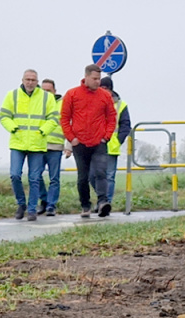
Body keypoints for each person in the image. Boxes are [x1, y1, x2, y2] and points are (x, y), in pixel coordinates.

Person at [0, 69, 57, 220]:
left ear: (37, 82)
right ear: (23, 80)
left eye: (33, 80)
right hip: (18, 142)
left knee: (34, 178)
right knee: (15, 175)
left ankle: (31, 210)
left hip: (37, 143)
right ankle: (21, 204)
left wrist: (43, 131)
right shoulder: (13, 95)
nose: (30, 82)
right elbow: (3, 115)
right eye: (27, 79)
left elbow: (54, 118)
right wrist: (13, 128)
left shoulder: (46, 97)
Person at [60, 64, 116, 218]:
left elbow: (112, 117)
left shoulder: (105, 96)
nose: (98, 82)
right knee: (83, 177)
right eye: (94, 79)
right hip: (80, 143)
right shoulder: (72, 94)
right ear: (86, 77)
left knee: (100, 172)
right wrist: (72, 139)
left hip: (99, 142)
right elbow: (64, 119)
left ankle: (103, 202)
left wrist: (106, 136)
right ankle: (85, 205)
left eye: (99, 78)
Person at [37, 79, 71, 217]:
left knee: (54, 178)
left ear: (55, 91)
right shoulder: (36, 103)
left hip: (56, 146)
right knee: (35, 176)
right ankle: (44, 201)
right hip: (38, 146)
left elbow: (69, 124)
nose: (46, 93)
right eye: (43, 90)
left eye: (49, 90)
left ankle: (51, 205)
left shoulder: (63, 104)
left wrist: (68, 146)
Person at [100, 75, 131, 207]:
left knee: (110, 176)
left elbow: (125, 125)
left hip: (112, 146)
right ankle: (101, 200)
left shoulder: (121, 105)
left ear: (110, 89)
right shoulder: (95, 101)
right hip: (96, 144)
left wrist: (118, 141)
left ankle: (107, 202)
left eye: (105, 88)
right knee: (94, 175)